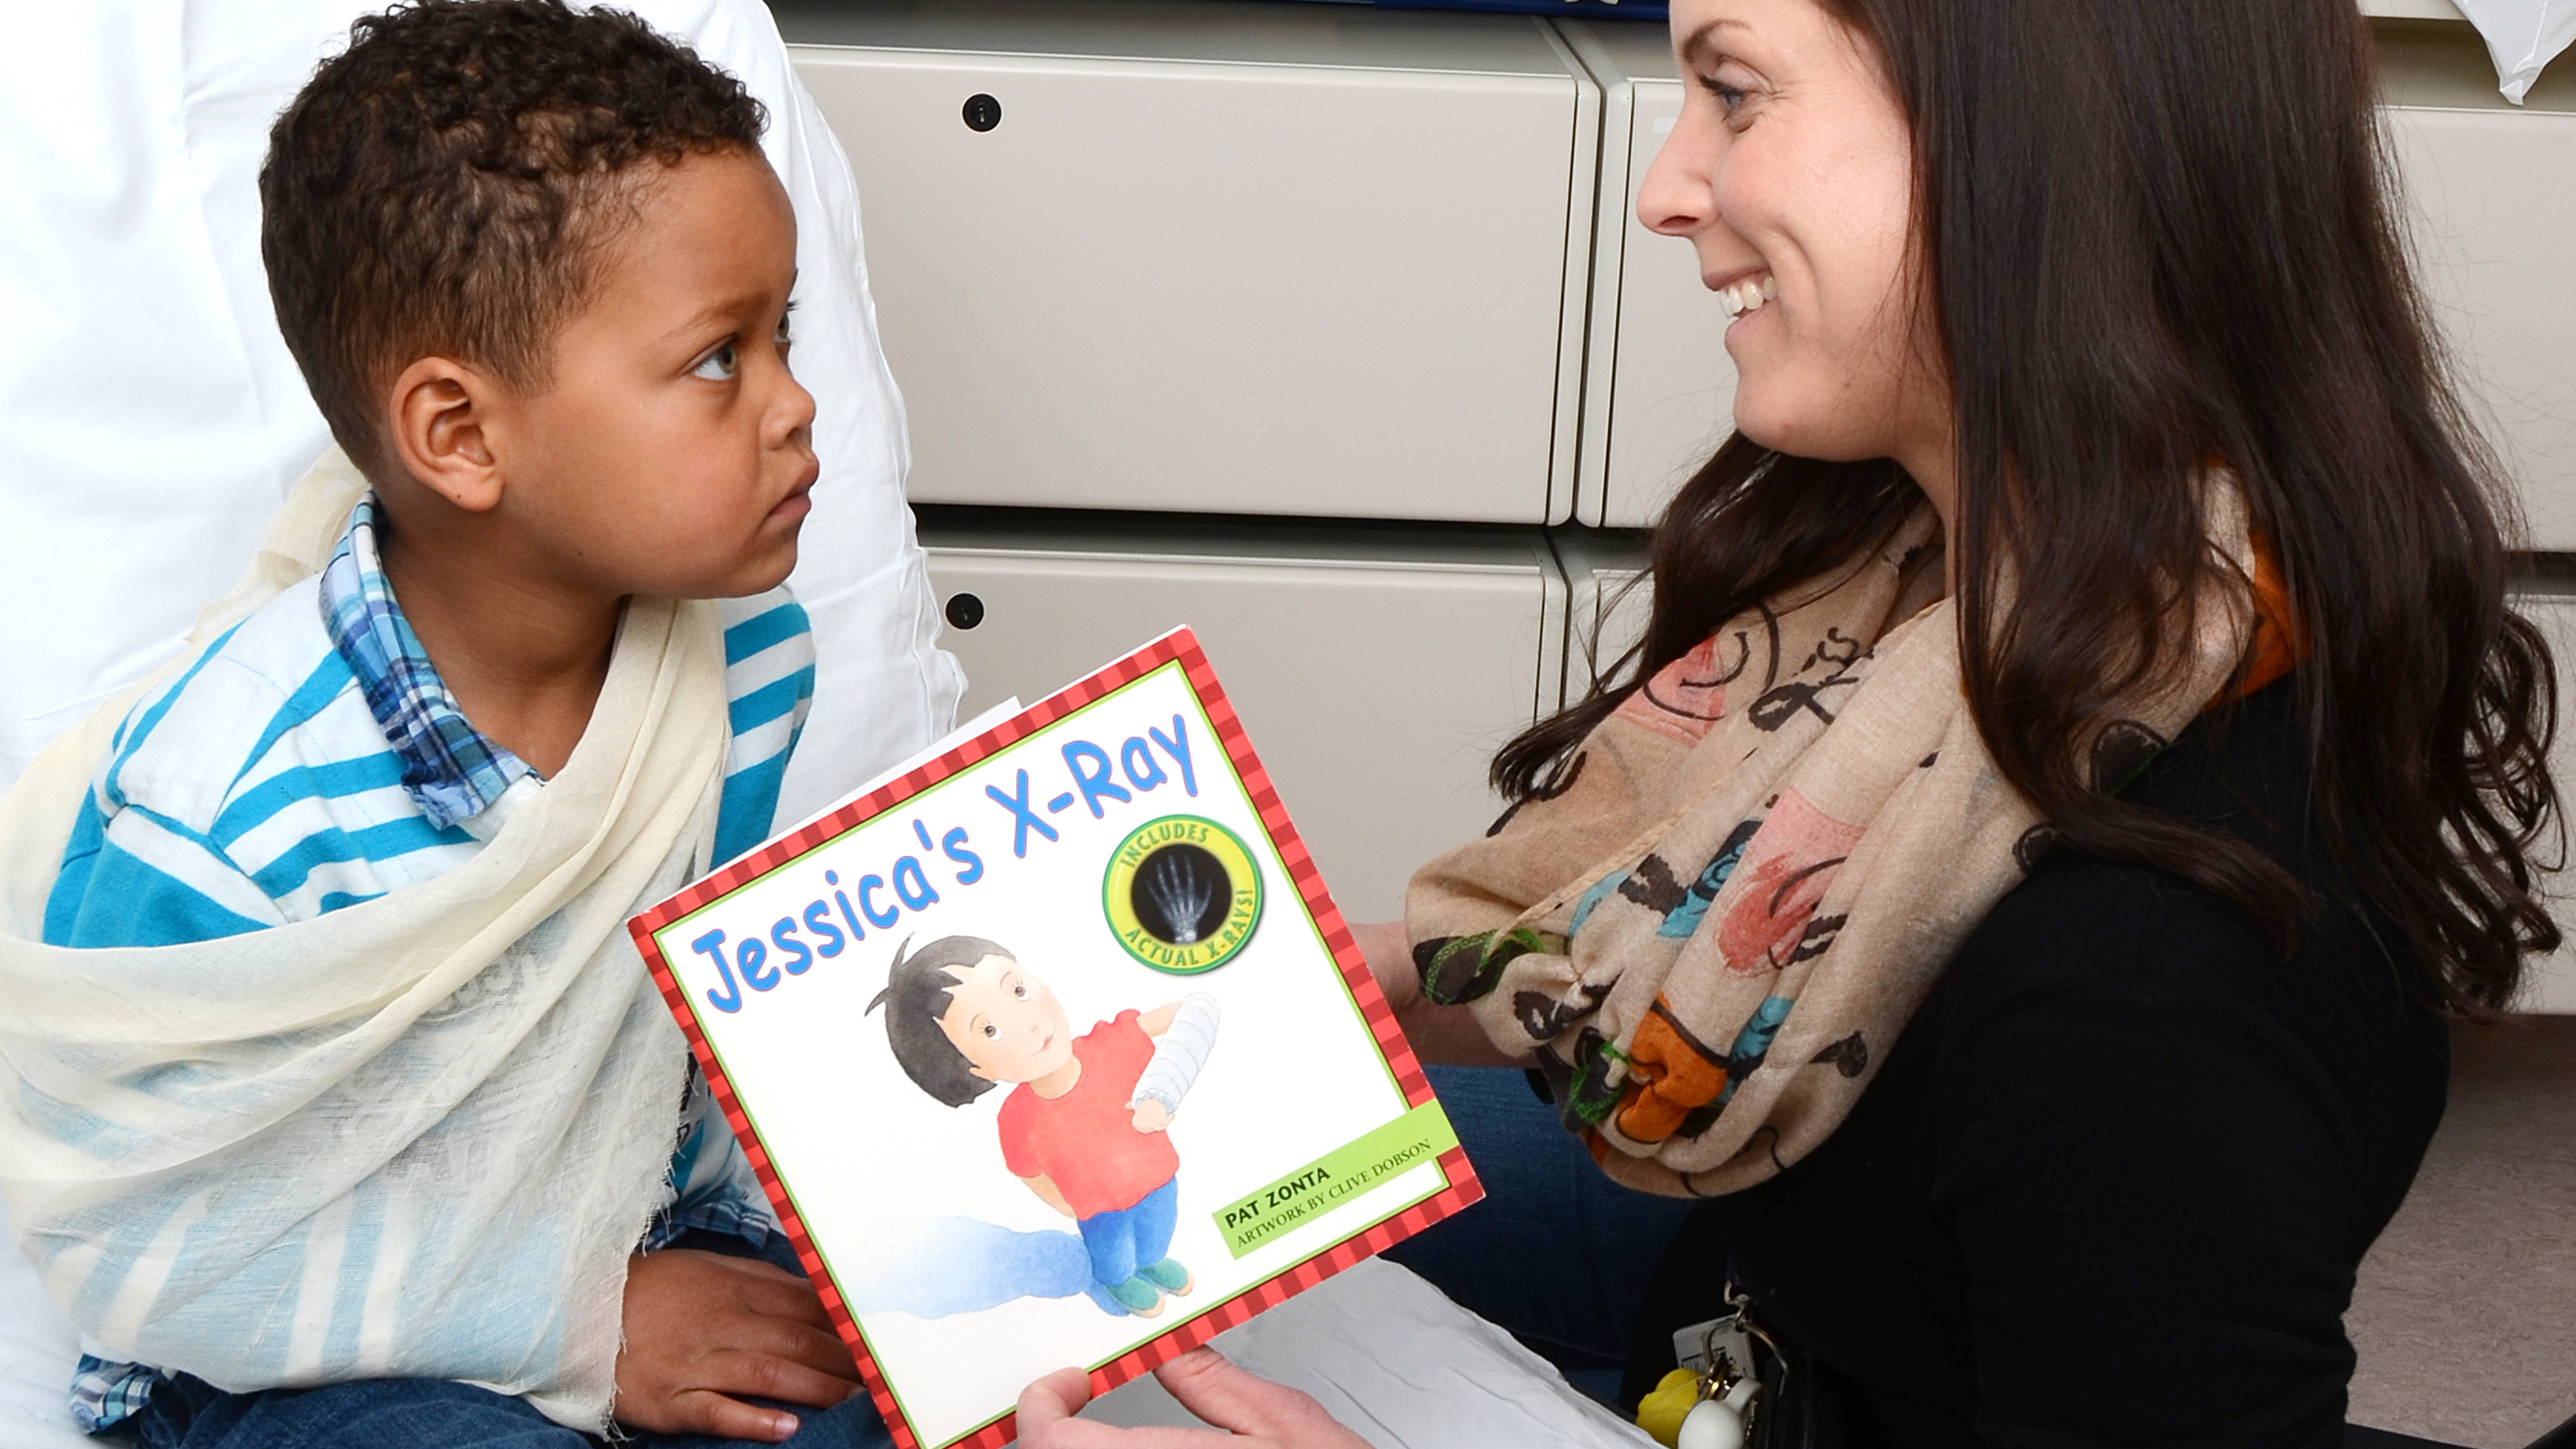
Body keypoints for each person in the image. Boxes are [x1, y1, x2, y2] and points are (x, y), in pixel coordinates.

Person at [1015, 0, 2561, 1445]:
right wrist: (1385, 969)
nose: (1667, 190)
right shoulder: (1970, 613)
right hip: (1753, 1327)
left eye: (1732, 93)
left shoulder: (2131, 1003)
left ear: (2023, 137)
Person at [0, 3, 903, 1445]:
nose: (799, 407)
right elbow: (143, 1256)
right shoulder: (229, 799)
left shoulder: (746, 668)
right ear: (463, 436)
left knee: (893, 1388)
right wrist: (577, 1325)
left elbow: (666, 1045)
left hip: (642, 1238)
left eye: (782, 332)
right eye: (719, 358)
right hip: (303, 1355)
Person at [868, 936, 1221, 1318]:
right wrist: (1065, 1204)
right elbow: (1029, 1171)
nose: (1029, 1023)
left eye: (1018, 990)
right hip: (1099, 1209)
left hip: (1159, 1179)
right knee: (1113, 1256)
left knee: (1158, 1231)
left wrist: (1196, 1013)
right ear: (977, 1071)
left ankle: (1150, 1261)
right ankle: (1117, 1280)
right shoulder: (1018, 1118)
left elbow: (1164, 1019)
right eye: (990, 1030)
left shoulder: (1109, 1045)